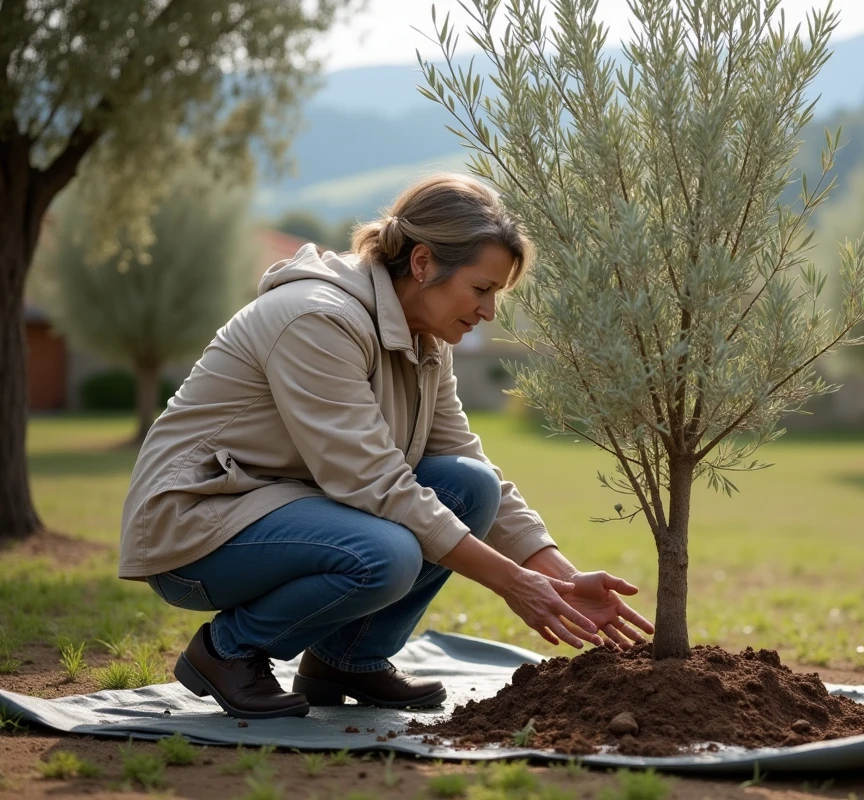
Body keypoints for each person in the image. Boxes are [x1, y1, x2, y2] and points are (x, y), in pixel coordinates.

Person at [119, 174, 654, 720]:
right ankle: (226, 651)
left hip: (283, 507)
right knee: (386, 553)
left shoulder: (425, 337)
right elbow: (374, 482)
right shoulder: (317, 318)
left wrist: (562, 579)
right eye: (481, 289)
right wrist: (512, 583)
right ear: (422, 263)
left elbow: (466, 460)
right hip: (195, 527)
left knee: (470, 487)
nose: (490, 311)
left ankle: (347, 659)